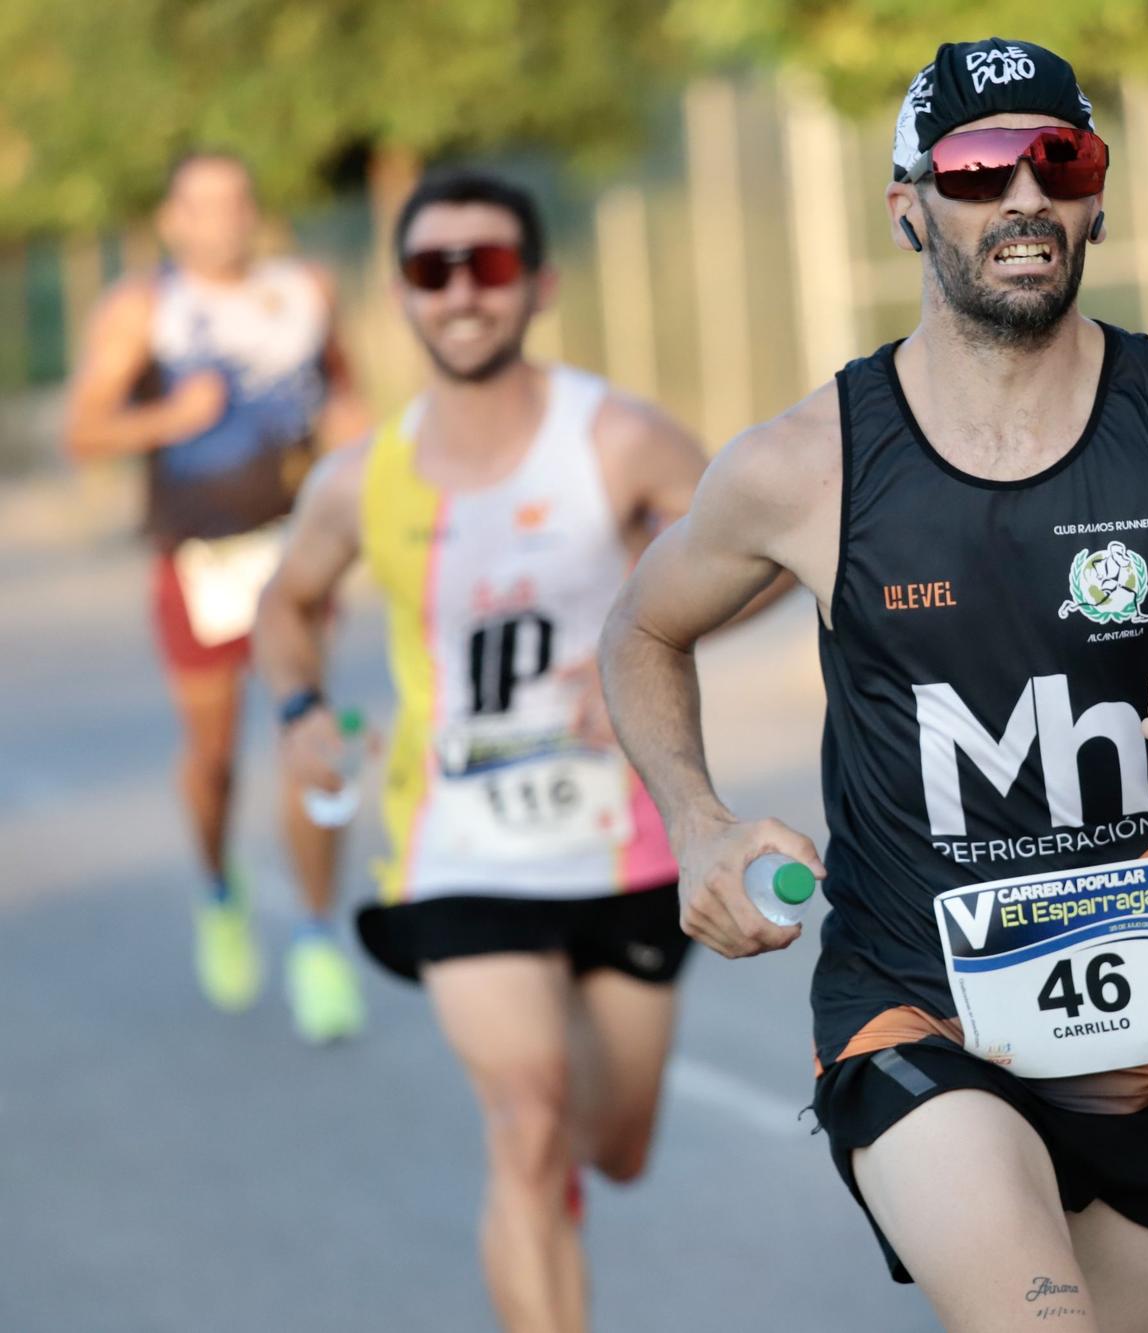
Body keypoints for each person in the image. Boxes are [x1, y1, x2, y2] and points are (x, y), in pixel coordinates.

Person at [602, 37, 1148, 1333]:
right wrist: (692, 820)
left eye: (1058, 159)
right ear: (909, 206)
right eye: (978, 168)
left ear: (1095, 194)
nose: (1022, 195)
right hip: (912, 1015)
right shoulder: (807, 465)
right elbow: (639, 630)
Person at [254, 170, 710, 1333]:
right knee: (523, 1119)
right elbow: (287, 602)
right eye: (431, 269)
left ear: (538, 286)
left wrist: (642, 659)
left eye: (490, 265)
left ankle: (563, 1155)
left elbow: (748, 547)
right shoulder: (364, 478)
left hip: (626, 846)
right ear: (402, 296)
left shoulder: (612, 437)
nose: (462, 292)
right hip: (456, 844)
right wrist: (301, 711)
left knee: (615, 1147)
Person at [62, 149, 373, 1039]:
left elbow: (344, 397)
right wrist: (170, 416)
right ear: (173, 220)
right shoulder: (143, 308)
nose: (224, 220)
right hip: (198, 561)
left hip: (294, 550)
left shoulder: (303, 288)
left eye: (237, 202)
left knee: (308, 730)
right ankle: (218, 885)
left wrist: (366, 456)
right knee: (215, 759)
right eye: (203, 206)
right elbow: (84, 427)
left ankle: (317, 941)